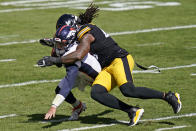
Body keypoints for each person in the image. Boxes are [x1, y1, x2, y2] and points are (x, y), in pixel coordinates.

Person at [37, 4, 182, 126]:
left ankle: (169, 96)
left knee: (128, 90)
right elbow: (68, 47)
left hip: (119, 59)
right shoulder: (80, 33)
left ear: (73, 28)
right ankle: (132, 111)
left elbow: (79, 54)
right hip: (107, 67)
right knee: (96, 92)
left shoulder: (85, 33)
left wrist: (54, 60)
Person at [38, 14, 101, 120]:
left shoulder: (81, 42)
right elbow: (60, 58)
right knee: (60, 89)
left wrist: (53, 107)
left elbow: (68, 75)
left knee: (101, 96)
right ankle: (78, 106)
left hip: (94, 74)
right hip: (81, 72)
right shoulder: (69, 43)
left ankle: (130, 109)